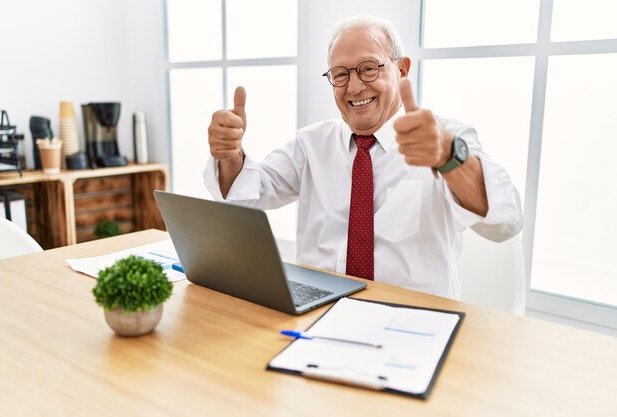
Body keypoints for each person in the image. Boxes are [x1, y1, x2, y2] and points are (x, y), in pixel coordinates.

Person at [204, 15, 522, 299]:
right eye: (340, 75)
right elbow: (247, 196)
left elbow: (506, 221)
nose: (354, 87)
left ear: (402, 69)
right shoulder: (311, 143)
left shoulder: (443, 137)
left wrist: (447, 156)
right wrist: (230, 155)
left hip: (412, 322)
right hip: (317, 313)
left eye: (369, 69)